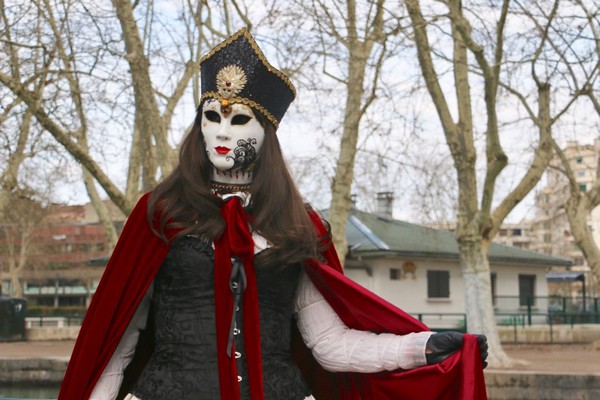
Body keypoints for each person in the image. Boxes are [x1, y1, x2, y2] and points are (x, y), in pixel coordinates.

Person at [59, 28, 488, 400]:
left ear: (267, 133)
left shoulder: (299, 225)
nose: (223, 130)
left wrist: (424, 347)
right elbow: (117, 337)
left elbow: (329, 344)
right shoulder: (160, 213)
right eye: (211, 117)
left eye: (240, 119)